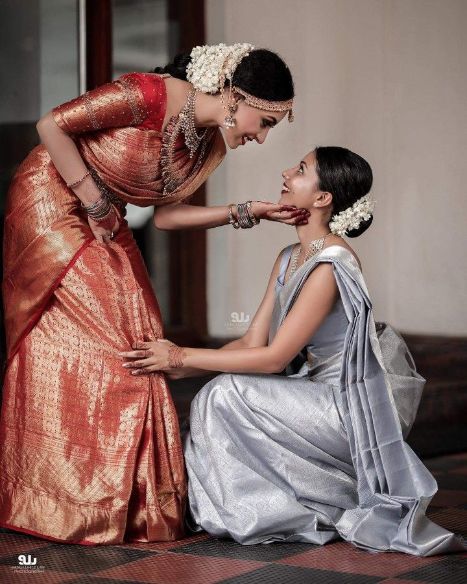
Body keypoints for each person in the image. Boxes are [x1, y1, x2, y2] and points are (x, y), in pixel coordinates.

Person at [0, 43, 304, 545]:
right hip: (52, 195)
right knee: (115, 338)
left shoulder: (211, 145)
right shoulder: (147, 94)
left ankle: (125, 502)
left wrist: (250, 210)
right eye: (265, 121)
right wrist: (95, 202)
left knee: (141, 338)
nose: (263, 138)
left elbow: (165, 217)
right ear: (235, 95)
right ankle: (67, 500)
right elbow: (50, 126)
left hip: (101, 213)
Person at [121, 146, 465, 556]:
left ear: (322, 199)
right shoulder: (289, 257)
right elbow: (252, 342)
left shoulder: (329, 265)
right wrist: (179, 364)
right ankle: (244, 508)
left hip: (343, 407)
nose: (286, 172)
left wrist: (182, 356)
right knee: (221, 392)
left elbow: (275, 359)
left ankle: (257, 512)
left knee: (226, 393)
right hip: (311, 393)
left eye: (301, 170)